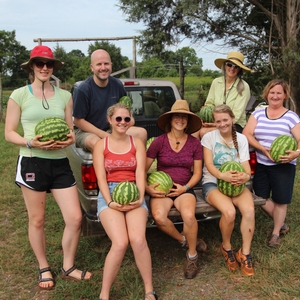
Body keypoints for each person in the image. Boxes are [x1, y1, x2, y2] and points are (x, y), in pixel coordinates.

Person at [4, 45, 92, 290]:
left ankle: (68, 266)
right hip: (32, 160)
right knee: (38, 220)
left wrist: (68, 140)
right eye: (39, 63)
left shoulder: (64, 96)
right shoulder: (19, 95)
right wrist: (30, 141)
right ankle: (44, 267)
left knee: (75, 218)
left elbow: (71, 133)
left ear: (53, 68)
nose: (44, 68)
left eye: (49, 64)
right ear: (32, 66)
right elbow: (9, 133)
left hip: (60, 162)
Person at [93, 103, 157, 300]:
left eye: (126, 119)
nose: (122, 122)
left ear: (131, 121)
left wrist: (139, 199)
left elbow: (140, 174)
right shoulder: (100, 145)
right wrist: (110, 202)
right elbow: (101, 179)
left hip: (134, 192)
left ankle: (149, 290)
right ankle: (104, 294)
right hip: (109, 194)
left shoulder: (136, 143)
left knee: (138, 240)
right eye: (118, 119)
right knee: (120, 242)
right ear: (110, 120)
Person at [146, 100, 207, 280]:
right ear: (171, 119)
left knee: (189, 216)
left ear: (188, 121)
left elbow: (196, 173)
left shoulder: (195, 144)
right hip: (161, 190)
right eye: (177, 116)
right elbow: (142, 169)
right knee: (159, 217)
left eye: (184, 117)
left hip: (184, 188)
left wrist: (185, 188)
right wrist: (148, 188)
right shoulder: (159, 142)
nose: (180, 119)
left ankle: (192, 256)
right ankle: (185, 241)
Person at [243, 79, 300, 247]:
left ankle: (275, 234)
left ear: (285, 95)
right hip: (262, 163)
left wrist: (295, 153)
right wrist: (262, 149)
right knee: (260, 197)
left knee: (281, 200)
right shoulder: (258, 113)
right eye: (272, 92)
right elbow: (247, 133)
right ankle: (281, 223)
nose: (275, 96)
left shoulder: (291, 116)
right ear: (267, 94)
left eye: (279, 93)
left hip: (284, 165)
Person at [201, 104, 255, 276]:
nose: (222, 124)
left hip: (237, 181)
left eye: (225, 120)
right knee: (230, 213)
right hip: (213, 182)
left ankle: (245, 253)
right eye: (218, 121)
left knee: (249, 210)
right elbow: (209, 164)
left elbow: (246, 166)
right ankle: (227, 247)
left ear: (232, 119)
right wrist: (222, 176)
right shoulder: (209, 138)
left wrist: (246, 177)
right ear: (214, 122)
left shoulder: (241, 139)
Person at [73, 49, 147, 152]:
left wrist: (129, 119)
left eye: (106, 64)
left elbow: (124, 110)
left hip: (112, 128)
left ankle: (138, 167)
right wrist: (104, 135)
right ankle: (109, 167)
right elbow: (78, 121)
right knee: (98, 143)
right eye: (99, 64)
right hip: (86, 132)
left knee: (141, 133)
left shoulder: (117, 85)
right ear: (92, 67)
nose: (103, 68)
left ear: (111, 65)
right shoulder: (84, 89)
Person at [193, 51, 251, 139]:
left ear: (240, 69)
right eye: (229, 65)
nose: (232, 68)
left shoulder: (244, 86)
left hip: (234, 124)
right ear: (224, 65)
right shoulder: (216, 82)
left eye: (236, 66)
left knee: (204, 132)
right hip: (215, 121)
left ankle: (207, 152)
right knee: (193, 132)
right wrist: (205, 115)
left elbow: (236, 115)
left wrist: (216, 123)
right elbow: (209, 104)